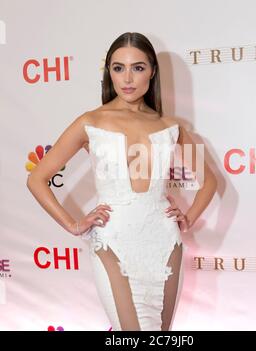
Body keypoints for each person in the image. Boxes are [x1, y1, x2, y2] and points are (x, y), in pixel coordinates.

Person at [27, 32, 217, 331]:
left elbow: (209, 182)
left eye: (138, 68)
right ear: (109, 73)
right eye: (118, 68)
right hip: (113, 239)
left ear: (152, 71)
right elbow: (37, 178)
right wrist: (73, 224)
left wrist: (188, 217)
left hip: (165, 241)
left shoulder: (170, 126)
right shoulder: (91, 121)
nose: (127, 78)